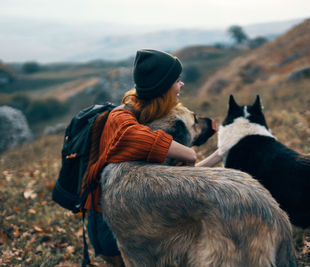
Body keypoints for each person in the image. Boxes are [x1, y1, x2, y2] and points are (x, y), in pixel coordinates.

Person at [81, 48, 221, 266]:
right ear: (163, 88)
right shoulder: (121, 116)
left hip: (138, 214)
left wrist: (219, 155)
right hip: (108, 222)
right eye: (177, 80)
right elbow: (132, 137)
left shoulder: (155, 114)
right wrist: (187, 152)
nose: (181, 84)